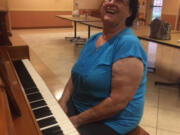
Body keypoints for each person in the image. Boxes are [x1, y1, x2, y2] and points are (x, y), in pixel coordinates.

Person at [59, 0, 147, 134]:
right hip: (80, 106)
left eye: (119, 0)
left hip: (112, 120)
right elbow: (76, 75)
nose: (110, 3)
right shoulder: (94, 39)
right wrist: (63, 101)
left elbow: (117, 102)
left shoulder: (128, 45)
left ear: (130, 12)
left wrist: (76, 120)